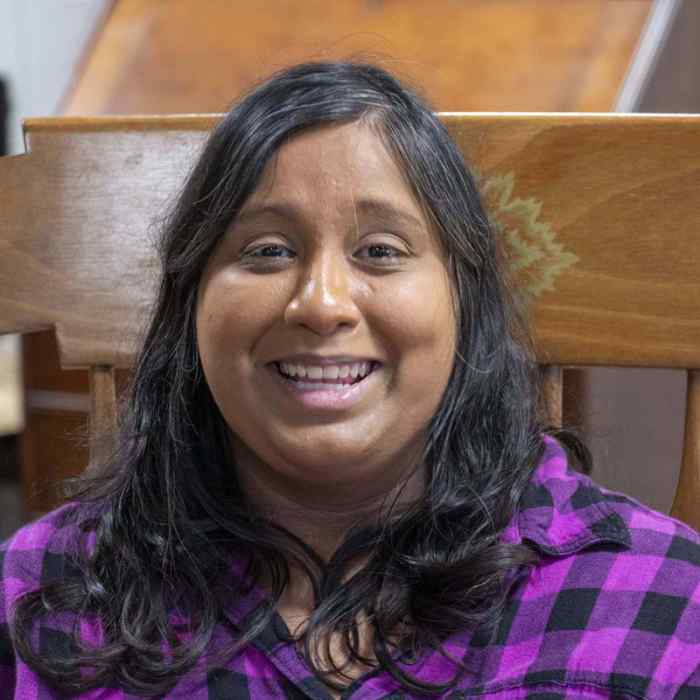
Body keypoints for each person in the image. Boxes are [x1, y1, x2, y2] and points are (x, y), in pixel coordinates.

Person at [0, 61, 698, 700]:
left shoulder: (655, 602)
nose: (322, 303)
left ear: (465, 305)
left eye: (380, 251)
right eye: (268, 250)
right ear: (191, 310)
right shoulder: (42, 593)